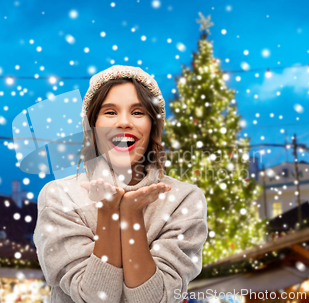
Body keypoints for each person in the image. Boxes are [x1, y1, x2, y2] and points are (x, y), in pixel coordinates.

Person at [34, 65, 208, 303]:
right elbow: (95, 298)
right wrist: (109, 213)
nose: (124, 122)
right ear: (92, 127)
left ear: (153, 126)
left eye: (138, 112)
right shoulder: (60, 197)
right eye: (110, 112)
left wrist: (131, 216)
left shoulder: (184, 199)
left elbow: (154, 300)